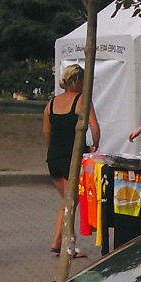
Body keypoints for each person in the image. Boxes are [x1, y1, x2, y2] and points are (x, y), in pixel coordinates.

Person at [45, 64, 100, 257]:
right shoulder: (82, 100)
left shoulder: (51, 103)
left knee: (67, 201)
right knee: (70, 202)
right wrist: (94, 146)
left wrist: (52, 150)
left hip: (53, 157)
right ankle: (64, 244)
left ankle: (59, 241)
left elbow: (46, 132)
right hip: (72, 157)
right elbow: (94, 128)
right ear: (77, 81)